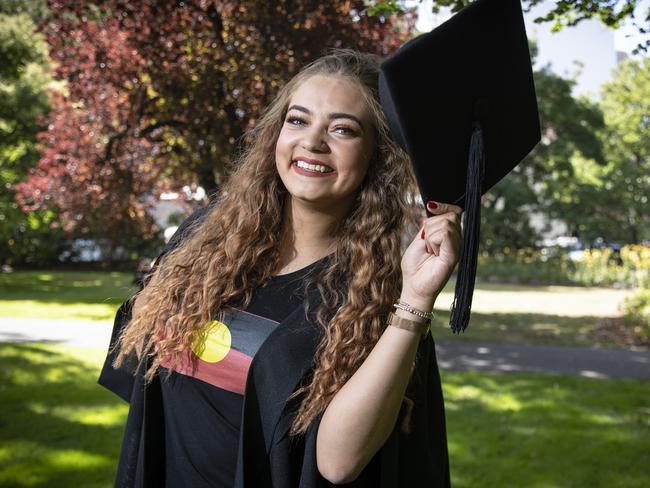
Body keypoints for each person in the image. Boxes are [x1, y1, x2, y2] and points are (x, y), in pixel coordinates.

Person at [101, 47, 462, 487]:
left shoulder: (372, 296)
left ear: (376, 157)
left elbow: (338, 463)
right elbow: (142, 372)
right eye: (298, 119)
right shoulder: (207, 238)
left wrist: (416, 300)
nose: (312, 141)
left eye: (343, 129)